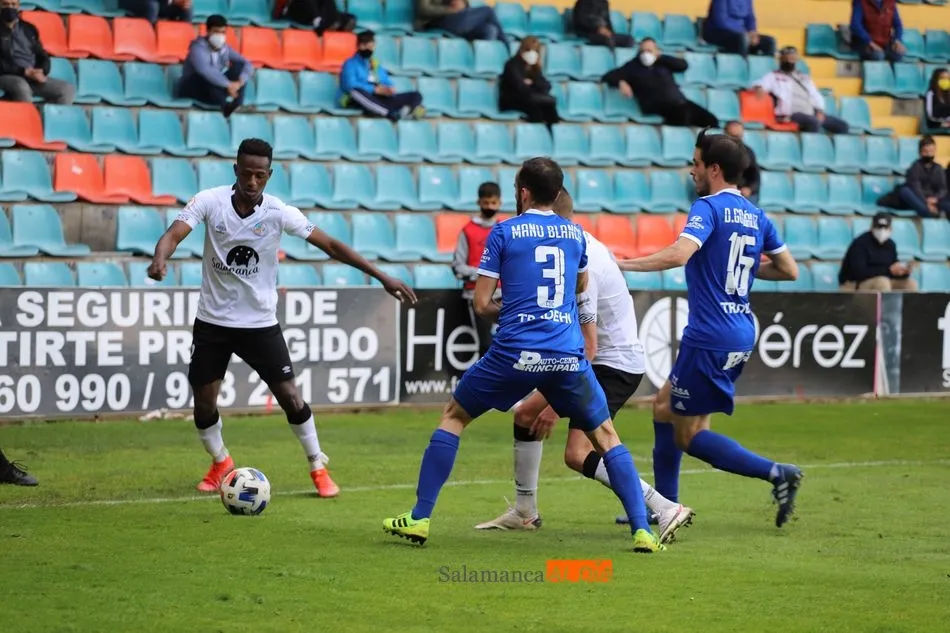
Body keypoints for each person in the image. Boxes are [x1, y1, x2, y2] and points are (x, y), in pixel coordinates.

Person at [383, 158, 664, 553]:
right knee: (605, 435)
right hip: (566, 355)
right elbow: (581, 286)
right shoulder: (576, 235)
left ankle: (419, 518)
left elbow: (481, 304)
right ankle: (642, 531)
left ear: (523, 192)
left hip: (516, 352)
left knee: (455, 416)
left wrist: (516, 307)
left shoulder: (503, 233)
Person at [146, 138, 418, 497]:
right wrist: (160, 257)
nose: (252, 181)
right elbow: (174, 234)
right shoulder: (209, 201)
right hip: (212, 322)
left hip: (259, 324)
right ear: (235, 170)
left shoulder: (278, 212)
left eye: (260, 175)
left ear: (269, 175)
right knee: (204, 403)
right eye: (246, 173)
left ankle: (318, 466)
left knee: (290, 396)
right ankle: (220, 461)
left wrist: (382, 276)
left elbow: (332, 246)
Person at [475, 188, 695, 544]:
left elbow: (589, 346)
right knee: (525, 417)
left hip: (611, 364)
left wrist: (551, 403)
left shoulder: (583, 256)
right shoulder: (575, 245)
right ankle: (525, 512)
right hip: (588, 359)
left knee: (579, 453)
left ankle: (665, 506)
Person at [617, 129, 804, 529]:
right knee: (663, 407)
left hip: (711, 334)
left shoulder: (708, 208)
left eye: (697, 164)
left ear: (714, 170)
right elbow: (789, 270)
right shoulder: (756, 214)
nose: (692, 170)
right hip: (739, 328)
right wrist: (746, 269)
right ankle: (665, 505)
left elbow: (680, 253)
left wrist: (625, 265)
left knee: (689, 434)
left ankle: (777, 473)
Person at [601, 38, 718, 128]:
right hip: (656, 104)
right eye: (643, 51)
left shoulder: (662, 62)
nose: (645, 54)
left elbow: (683, 65)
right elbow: (608, 76)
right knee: (682, 115)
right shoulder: (633, 66)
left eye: (649, 50)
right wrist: (621, 82)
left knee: (711, 121)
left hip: (679, 102)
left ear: (656, 51)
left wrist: (661, 57)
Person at [452, 181, 501, 358]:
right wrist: (483, 274)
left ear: (500, 203)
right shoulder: (468, 231)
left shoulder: (504, 229)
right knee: (486, 345)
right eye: (486, 203)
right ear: (479, 203)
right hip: (476, 295)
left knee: (509, 343)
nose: (490, 207)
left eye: (493, 203)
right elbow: (458, 267)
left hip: (503, 294)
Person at [752, 46, 848, 134]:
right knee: (813, 122)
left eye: (792, 58)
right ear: (781, 59)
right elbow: (760, 84)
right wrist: (759, 87)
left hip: (811, 112)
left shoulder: (804, 77)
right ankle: (809, 148)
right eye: (787, 58)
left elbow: (814, 94)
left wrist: (820, 111)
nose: (790, 61)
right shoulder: (774, 76)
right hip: (791, 114)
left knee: (842, 126)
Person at [175, 15, 252, 118]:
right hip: (193, 87)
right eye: (216, 32)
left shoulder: (225, 48)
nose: (220, 36)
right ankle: (225, 107)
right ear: (208, 31)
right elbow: (205, 70)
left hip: (216, 89)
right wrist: (228, 84)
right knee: (207, 78)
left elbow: (247, 63)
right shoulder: (197, 48)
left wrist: (239, 82)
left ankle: (236, 104)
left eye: (223, 32)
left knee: (239, 67)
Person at [0, 0, 74, 104]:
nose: (9, 7)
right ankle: (26, 119)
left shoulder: (29, 29)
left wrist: (41, 71)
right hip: (7, 75)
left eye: (13, 4)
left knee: (66, 89)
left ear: (18, 6)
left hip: (31, 76)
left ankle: (50, 118)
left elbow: (42, 55)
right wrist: (23, 71)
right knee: (21, 86)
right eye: (5, 4)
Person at [338, 30, 424, 120]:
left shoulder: (374, 63)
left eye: (371, 46)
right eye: (365, 46)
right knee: (355, 92)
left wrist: (389, 88)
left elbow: (385, 80)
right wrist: (374, 90)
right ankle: (390, 114)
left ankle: (405, 112)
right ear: (358, 46)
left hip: (377, 99)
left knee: (416, 95)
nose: (368, 49)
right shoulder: (350, 63)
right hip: (355, 99)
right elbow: (349, 85)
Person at [838, 212, 918, 292]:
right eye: (879, 227)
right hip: (854, 284)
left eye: (885, 228)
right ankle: (883, 305)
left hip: (883, 281)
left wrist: (903, 272)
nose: (882, 231)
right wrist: (888, 270)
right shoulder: (860, 243)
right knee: (882, 282)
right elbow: (858, 272)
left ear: (890, 229)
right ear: (872, 227)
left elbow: (892, 269)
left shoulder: (891, 245)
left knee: (910, 284)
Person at [498, 36, 559, 128]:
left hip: (530, 98)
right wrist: (534, 85)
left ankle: (551, 132)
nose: (532, 53)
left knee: (549, 107)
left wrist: (533, 83)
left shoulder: (535, 68)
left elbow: (546, 86)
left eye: (535, 51)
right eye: (528, 50)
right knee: (536, 109)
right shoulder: (512, 65)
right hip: (512, 100)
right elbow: (519, 86)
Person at [897, 136, 950, 219]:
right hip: (919, 199)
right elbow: (916, 188)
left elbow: (943, 189)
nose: (929, 154)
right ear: (920, 152)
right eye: (926, 151)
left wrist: (935, 199)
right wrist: (926, 202)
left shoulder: (938, 168)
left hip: (935, 199)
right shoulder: (914, 168)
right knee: (905, 191)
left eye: (931, 151)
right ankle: (929, 212)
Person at [702, 0, 776, 57]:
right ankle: (742, 68)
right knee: (743, 39)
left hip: (742, 33)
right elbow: (721, 21)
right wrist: (745, 33)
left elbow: (750, 18)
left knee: (769, 42)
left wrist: (753, 32)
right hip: (718, 32)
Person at [415, 0, 507, 43]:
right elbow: (424, 10)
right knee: (487, 10)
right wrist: (451, 10)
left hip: (455, 21)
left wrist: (463, 3)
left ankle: (481, 66)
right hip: (433, 23)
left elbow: (462, 5)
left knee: (490, 30)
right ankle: (506, 46)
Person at [724, 121, 761, 204]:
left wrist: (749, 189)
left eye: (739, 137)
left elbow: (755, 177)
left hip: (742, 192)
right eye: (733, 136)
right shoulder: (715, 152)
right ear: (725, 134)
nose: (736, 140)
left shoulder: (748, 152)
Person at [271, 0, 355, 35]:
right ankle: (323, 23)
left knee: (348, 18)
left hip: (314, 11)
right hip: (292, 10)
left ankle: (336, 21)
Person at [118, 0, 192, 24]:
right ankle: (149, 42)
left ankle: (183, 45)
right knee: (152, 7)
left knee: (186, 8)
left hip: (162, 3)